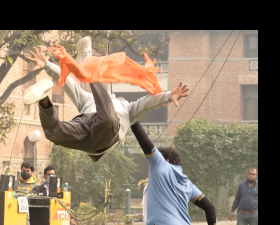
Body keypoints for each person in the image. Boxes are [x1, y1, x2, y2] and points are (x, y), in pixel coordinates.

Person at [23, 42, 189, 162]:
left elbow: (147, 102)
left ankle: (88, 63)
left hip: (107, 135)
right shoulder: (88, 99)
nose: (120, 99)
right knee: (54, 133)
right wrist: (47, 65)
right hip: (85, 130)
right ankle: (44, 100)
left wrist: (168, 95)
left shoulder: (128, 109)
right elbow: (69, 85)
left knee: (108, 118)